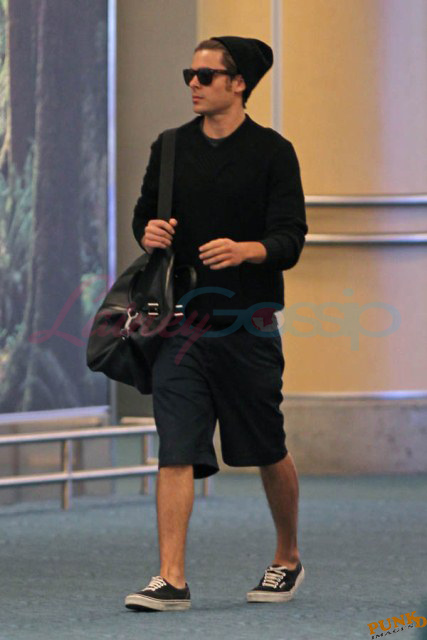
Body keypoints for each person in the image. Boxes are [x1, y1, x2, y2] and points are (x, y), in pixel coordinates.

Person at [125, 36, 308, 612]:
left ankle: (287, 557)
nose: (194, 84)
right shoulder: (170, 147)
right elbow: (144, 217)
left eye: (206, 75)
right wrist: (148, 233)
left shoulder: (273, 152)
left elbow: (290, 238)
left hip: (247, 324)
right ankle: (170, 577)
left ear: (239, 83)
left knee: (266, 446)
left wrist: (247, 250)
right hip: (179, 325)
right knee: (176, 447)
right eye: (190, 74)